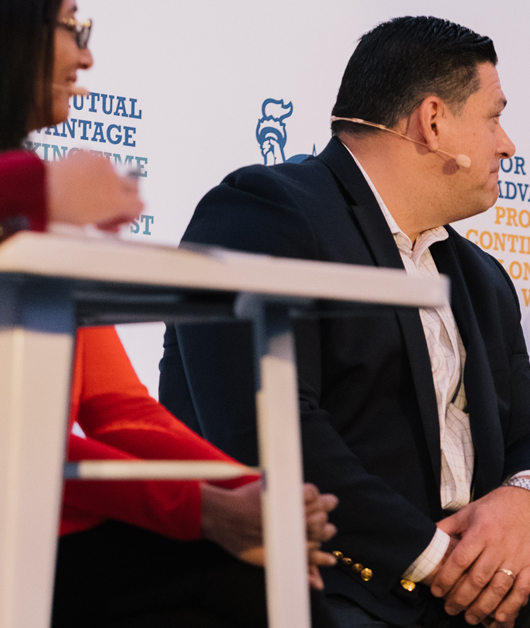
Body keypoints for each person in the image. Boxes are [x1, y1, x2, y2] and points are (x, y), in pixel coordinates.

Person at [159, 15, 530, 628]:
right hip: (338, 573)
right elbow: (272, 433)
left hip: (474, 573)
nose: (508, 144)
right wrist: (436, 558)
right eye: (493, 117)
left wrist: (528, 504)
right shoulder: (266, 211)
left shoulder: (479, 276)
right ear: (433, 121)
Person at [0, 1, 340, 625]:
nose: (86, 56)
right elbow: (19, 447)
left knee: (275, 590)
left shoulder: (36, 205)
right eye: (72, 27)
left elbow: (116, 409)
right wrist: (201, 508)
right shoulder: (29, 196)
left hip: (51, 528)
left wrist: (249, 493)